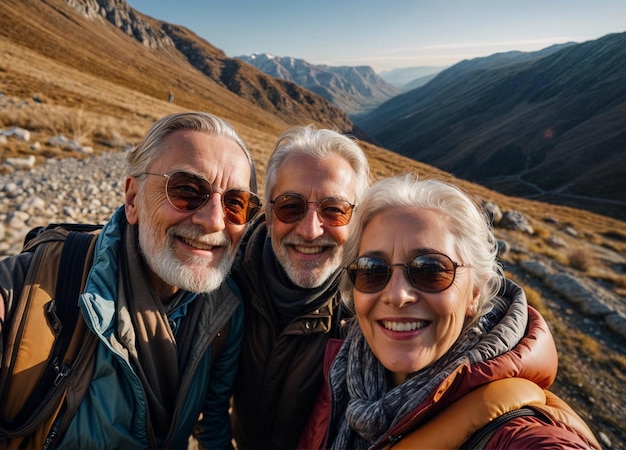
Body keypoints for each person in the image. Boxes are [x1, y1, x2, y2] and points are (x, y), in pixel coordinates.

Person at [0, 111, 262, 449]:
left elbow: (212, 424)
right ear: (133, 199)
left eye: (236, 204)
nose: (214, 221)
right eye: (185, 189)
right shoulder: (28, 286)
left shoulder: (227, 312)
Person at [299, 174, 600, 449]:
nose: (396, 295)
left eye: (430, 269)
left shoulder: (518, 435)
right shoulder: (343, 373)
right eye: (372, 270)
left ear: (476, 292)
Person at [230, 125, 371, 449]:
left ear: (357, 219)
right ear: (267, 211)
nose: (310, 230)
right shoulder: (225, 278)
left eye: (334, 210)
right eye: (291, 206)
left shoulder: (371, 312)